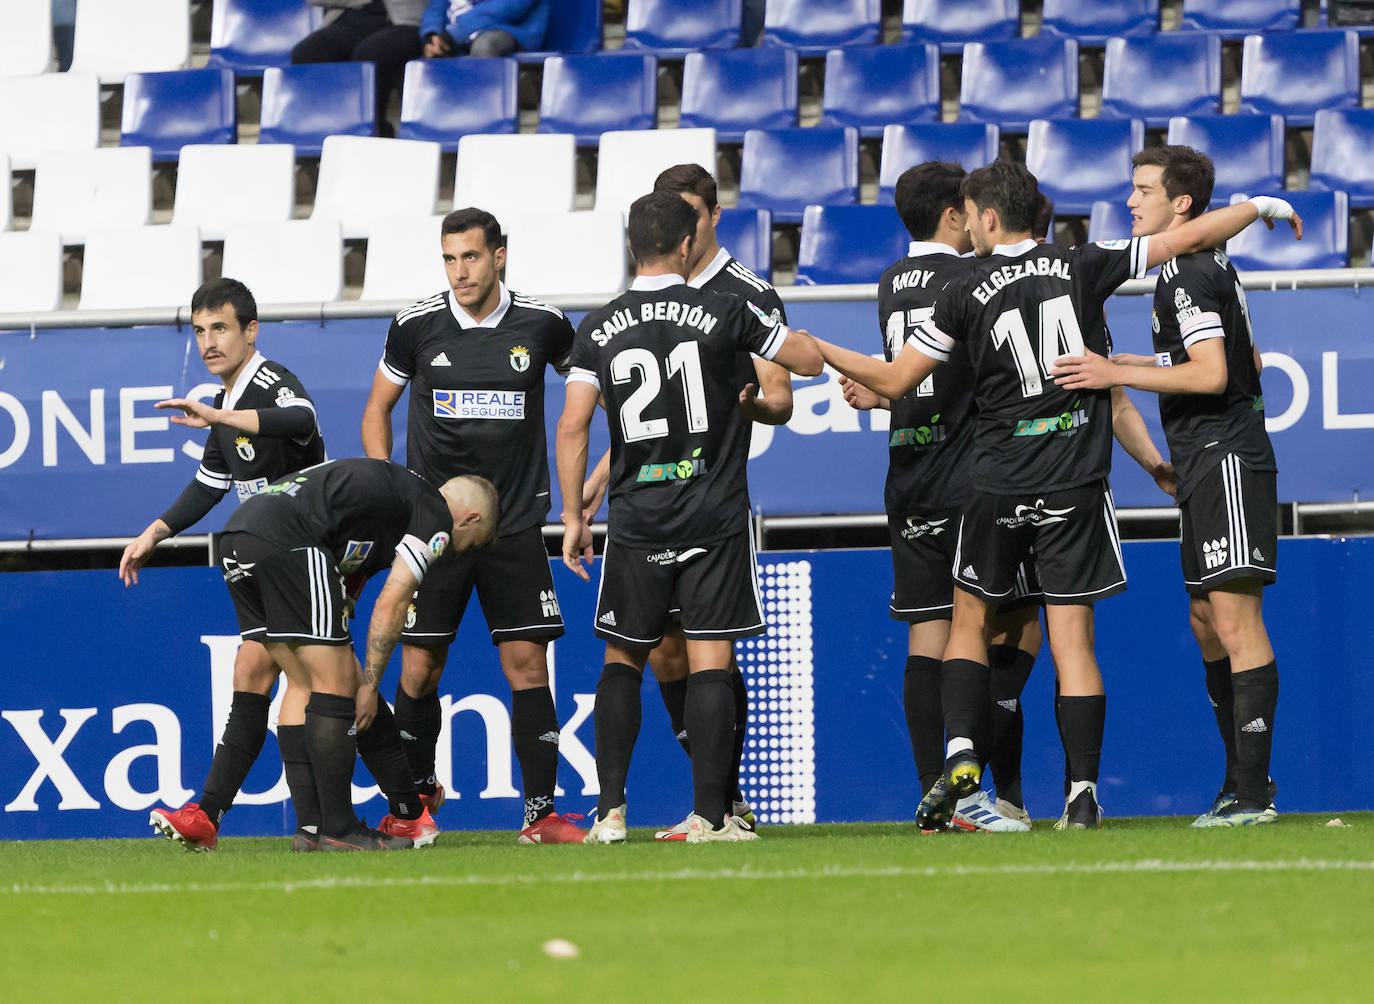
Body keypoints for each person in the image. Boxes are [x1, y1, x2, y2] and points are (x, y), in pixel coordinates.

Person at [810, 160, 1300, 829]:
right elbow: (1180, 241)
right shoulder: (1079, 265)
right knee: (1072, 642)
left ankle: (961, 754)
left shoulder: (963, 285)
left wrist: (814, 346)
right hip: (1072, 481)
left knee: (970, 621)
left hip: (994, 481)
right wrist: (1258, 206)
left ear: (984, 216)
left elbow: (897, 381)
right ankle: (1082, 794)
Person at [128, 280, 436, 852]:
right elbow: (208, 485)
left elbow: (299, 421)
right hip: (269, 557)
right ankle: (296, 821)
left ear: (252, 331)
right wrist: (156, 532)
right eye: (199, 331)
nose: (208, 342)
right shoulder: (225, 407)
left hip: (307, 553)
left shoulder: (272, 383)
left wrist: (225, 419)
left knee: (327, 680)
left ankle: (389, 811)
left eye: (220, 328)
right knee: (272, 674)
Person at [556, 191, 823, 843]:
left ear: (630, 247)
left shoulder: (600, 325)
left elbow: (572, 424)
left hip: (637, 515)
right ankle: (711, 815)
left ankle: (610, 813)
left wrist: (571, 514)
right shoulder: (727, 308)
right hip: (712, 510)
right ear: (685, 245)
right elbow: (808, 362)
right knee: (711, 661)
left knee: (623, 656)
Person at [1051, 145, 1283, 827]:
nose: (1131, 201)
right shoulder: (1195, 270)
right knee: (1207, 619)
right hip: (1202, 458)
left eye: (1144, 190)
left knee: (1236, 622)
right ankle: (1241, 782)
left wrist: (1113, 373)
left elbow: (1214, 375)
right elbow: (1251, 358)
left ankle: (1252, 793)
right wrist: (1142, 359)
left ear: (1182, 204)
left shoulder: (1181, 272)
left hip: (1226, 455)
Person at [361, 207, 585, 844]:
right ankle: (415, 804)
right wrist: (390, 492)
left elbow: (588, 390)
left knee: (527, 666)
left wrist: (581, 486)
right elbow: (377, 410)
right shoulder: (415, 326)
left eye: (471, 257)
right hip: (434, 532)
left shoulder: (542, 326)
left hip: (514, 527)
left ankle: (540, 817)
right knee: (419, 670)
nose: (460, 272)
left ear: (500, 256)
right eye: (450, 259)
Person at [219, 458, 497, 850]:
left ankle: (311, 830)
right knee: (339, 686)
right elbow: (393, 599)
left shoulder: (392, 492)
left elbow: (351, 570)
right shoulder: (433, 511)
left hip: (237, 534)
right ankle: (341, 829)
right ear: (469, 518)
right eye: (472, 543)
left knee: (302, 681)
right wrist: (369, 684)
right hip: (289, 541)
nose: (458, 551)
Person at [292, 1, 426, 135]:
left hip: (405, 20)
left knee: (372, 52)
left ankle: (373, 131)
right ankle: (326, 133)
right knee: (307, 52)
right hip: (353, 15)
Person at [420, 0, 549, 60]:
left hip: (510, 30)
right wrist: (432, 34)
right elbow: (436, 8)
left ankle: (488, 110)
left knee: (484, 46)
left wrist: (454, 34)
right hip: (457, 36)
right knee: (431, 54)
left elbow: (509, 7)